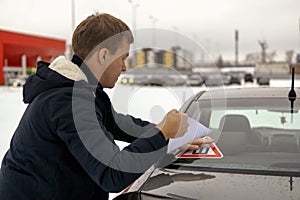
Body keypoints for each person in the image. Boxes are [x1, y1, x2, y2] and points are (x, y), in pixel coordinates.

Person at [0, 13, 212, 200]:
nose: (124, 66)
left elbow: (120, 124)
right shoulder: (67, 102)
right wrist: (162, 133)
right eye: (122, 58)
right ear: (103, 55)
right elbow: (112, 173)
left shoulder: (82, 92)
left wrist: (171, 137)